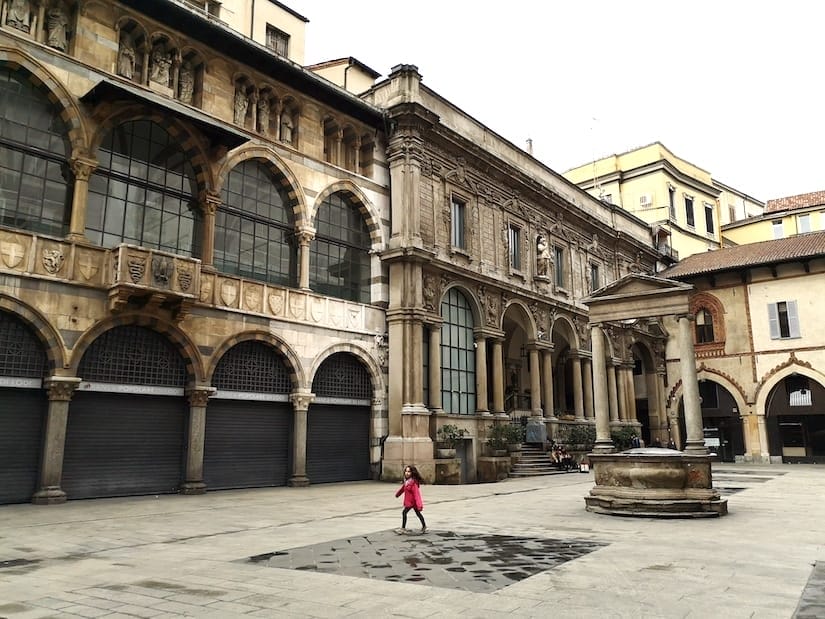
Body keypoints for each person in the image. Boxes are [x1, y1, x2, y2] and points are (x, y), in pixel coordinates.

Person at [395, 465, 426, 534]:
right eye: (406, 471)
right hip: (410, 502)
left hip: (412, 502)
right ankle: (424, 526)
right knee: (418, 514)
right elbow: (403, 488)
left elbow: (417, 495)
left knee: (404, 512)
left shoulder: (413, 483)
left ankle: (403, 528)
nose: (407, 473)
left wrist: (419, 505)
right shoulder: (407, 481)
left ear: (412, 473)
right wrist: (398, 494)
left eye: (409, 471)